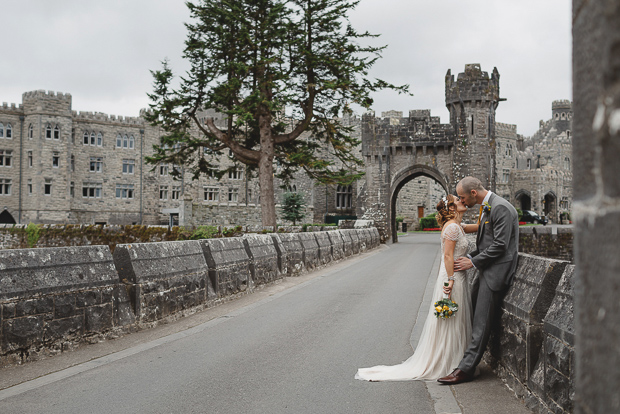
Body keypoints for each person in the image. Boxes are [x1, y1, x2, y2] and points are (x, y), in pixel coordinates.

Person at [355, 194, 478, 381]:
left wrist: (489, 214)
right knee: (450, 320)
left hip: (458, 275)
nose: (463, 201)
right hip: (452, 277)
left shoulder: (458, 226)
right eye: (459, 200)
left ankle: (458, 361)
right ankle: (449, 363)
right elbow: (447, 256)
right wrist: (451, 279)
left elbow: (479, 226)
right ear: (451, 208)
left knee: (457, 319)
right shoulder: (452, 227)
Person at [437, 176, 519, 385]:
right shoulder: (488, 207)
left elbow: (500, 245)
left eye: (463, 197)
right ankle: (463, 360)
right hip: (486, 269)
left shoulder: (500, 208)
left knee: (481, 323)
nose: (462, 201)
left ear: (473, 193)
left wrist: (472, 262)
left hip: (496, 273)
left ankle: (465, 369)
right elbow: (486, 245)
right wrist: (472, 258)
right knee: (472, 314)